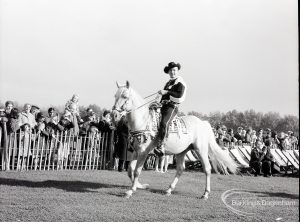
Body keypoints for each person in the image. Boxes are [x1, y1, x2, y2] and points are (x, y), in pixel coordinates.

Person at [154, 62, 187, 156]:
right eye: (171, 70)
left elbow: (179, 95)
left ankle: (161, 146)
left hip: (172, 106)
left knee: (164, 123)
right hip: (163, 106)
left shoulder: (180, 82)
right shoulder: (168, 83)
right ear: (168, 72)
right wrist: (158, 101)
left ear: (177, 71)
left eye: (174, 70)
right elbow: (164, 96)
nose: (172, 72)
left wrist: (166, 92)